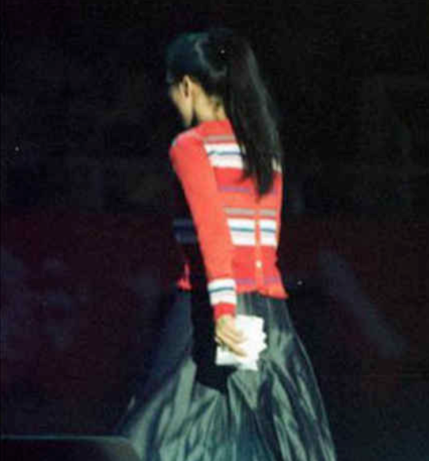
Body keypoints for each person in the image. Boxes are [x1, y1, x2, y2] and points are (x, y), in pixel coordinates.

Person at [115, 27, 336, 461]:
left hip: (207, 307)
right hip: (270, 313)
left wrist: (222, 312)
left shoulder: (190, 146)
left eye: (171, 89)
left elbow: (213, 229)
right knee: (282, 440)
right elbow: (265, 240)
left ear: (187, 86)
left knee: (158, 435)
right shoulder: (263, 147)